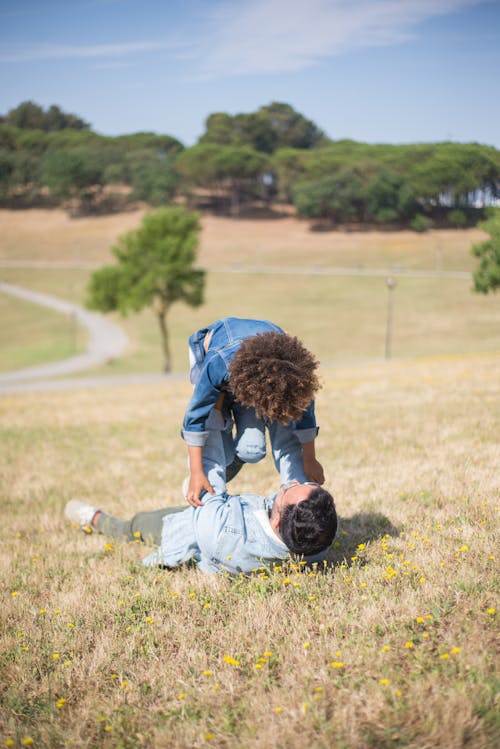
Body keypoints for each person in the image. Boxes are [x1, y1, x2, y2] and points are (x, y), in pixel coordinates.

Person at [64, 414, 337, 575]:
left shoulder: (222, 535)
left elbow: (209, 470)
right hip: (226, 509)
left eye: (288, 490)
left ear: (278, 521)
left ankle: (96, 519)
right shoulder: (315, 543)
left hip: (192, 527)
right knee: (248, 450)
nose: (289, 484)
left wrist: (214, 410)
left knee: (136, 525)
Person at [183, 317, 324, 507]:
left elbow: (304, 414)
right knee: (218, 450)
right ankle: (208, 497)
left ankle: (296, 500)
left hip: (257, 374)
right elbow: (195, 418)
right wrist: (196, 471)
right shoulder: (218, 364)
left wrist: (309, 459)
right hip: (222, 364)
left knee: (251, 450)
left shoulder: (294, 374)